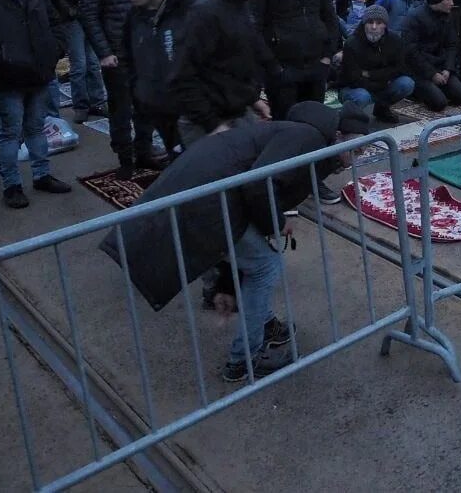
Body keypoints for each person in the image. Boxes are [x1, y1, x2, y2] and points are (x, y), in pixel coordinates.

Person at [100, 102, 369, 382]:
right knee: (266, 266)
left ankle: (262, 325)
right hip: (210, 196)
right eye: (357, 149)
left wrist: (227, 282)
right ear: (338, 136)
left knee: (258, 261)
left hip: (214, 192)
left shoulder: (310, 139)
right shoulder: (309, 138)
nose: (357, 158)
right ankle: (245, 359)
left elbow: (253, 204)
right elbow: (258, 185)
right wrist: (275, 223)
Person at [168, 0, 278, 152]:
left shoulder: (239, 6)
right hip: (207, 124)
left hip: (236, 113)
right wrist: (213, 126)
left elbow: (232, 64)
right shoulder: (205, 14)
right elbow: (182, 78)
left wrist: (253, 99)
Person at [0, 0, 72, 208]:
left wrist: (55, 48)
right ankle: (12, 185)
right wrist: (3, 60)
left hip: (39, 71)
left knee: (37, 127)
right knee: (10, 132)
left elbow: (53, 19)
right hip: (7, 77)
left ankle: (42, 175)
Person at [81, 0, 163, 176]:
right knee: (121, 108)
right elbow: (90, 16)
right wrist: (104, 53)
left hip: (143, 48)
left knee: (146, 104)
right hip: (116, 53)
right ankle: (125, 159)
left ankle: (144, 152)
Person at [253, 0, 340, 120]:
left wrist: (327, 57)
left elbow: (329, 16)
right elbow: (256, 28)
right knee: (287, 125)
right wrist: (274, 68)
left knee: (314, 122)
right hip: (283, 68)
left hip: (316, 64)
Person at [119, 0, 197, 159]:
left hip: (194, 117)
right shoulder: (134, 16)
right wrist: (140, 91)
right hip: (158, 112)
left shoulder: (192, 11)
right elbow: (128, 57)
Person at [398, 0, 461, 112]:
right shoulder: (414, 18)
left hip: (440, 67)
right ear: (438, 1)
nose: (452, 3)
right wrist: (432, 74)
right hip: (419, 71)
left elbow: (452, 45)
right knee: (439, 103)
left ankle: (437, 87)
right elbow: (412, 53)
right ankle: (415, 92)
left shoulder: (448, 17)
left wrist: (448, 69)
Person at [339, 4, 414, 123]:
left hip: (379, 83)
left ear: (385, 25)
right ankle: (351, 119)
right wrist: (381, 81)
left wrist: (369, 74)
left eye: (379, 23)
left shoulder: (394, 41)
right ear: (364, 24)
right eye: (370, 22)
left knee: (406, 83)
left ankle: (382, 109)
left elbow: (400, 68)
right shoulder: (352, 43)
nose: (374, 27)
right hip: (355, 88)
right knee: (362, 96)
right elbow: (352, 78)